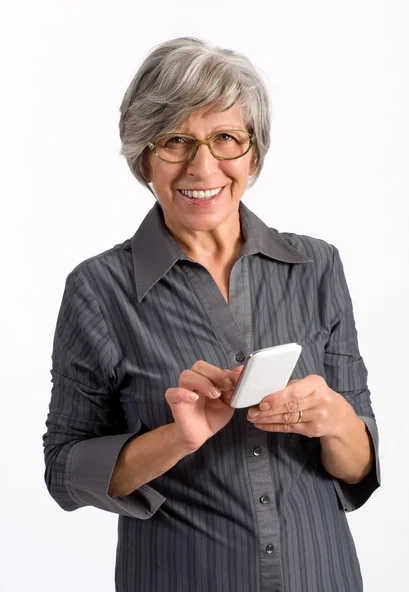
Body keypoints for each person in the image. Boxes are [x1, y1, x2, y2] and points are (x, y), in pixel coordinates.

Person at [43, 37, 380, 592]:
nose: (204, 166)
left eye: (226, 138)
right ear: (145, 157)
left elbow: (358, 466)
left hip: (323, 575)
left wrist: (336, 420)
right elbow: (63, 473)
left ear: (253, 153)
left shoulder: (317, 266)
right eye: (176, 140)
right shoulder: (97, 290)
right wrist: (177, 438)